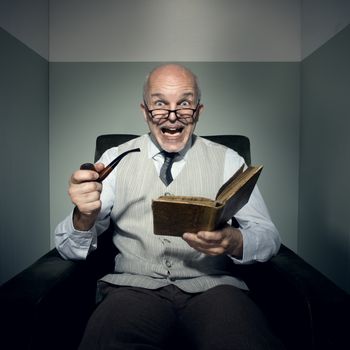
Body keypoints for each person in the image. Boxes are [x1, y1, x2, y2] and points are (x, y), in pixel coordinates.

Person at [55, 64, 284, 350]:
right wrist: (83, 216)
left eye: (184, 104)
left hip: (214, 289)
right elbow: (68, 249)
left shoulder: (229, 160)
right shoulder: (114, 158)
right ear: (145, 111)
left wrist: (235, 241)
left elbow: (268, 236)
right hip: (132, 289)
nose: (172, 116)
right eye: (160, 104)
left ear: (198, 111)